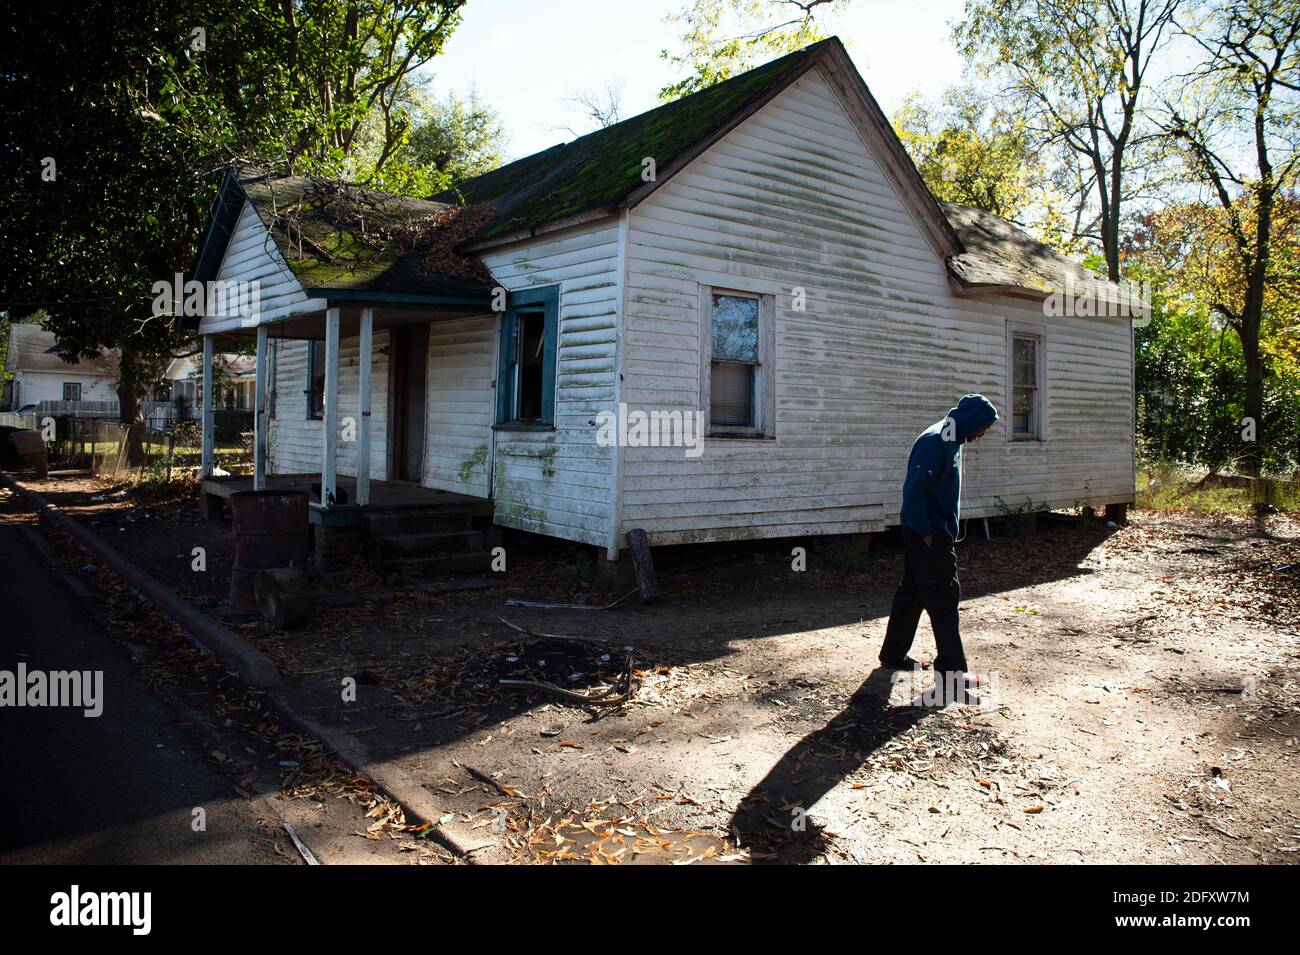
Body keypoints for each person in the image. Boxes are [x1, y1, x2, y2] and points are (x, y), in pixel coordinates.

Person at [878, 394, 998, 697]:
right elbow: (915, 490)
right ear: (971, 420)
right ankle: (952, 676)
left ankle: (892, 655)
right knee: (945, 599)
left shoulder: (952, 438)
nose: (983, 434)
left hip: (931, 531)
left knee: (913, 593)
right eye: (983, 427)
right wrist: (927, 533)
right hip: (928, 532)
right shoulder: (936, 441)